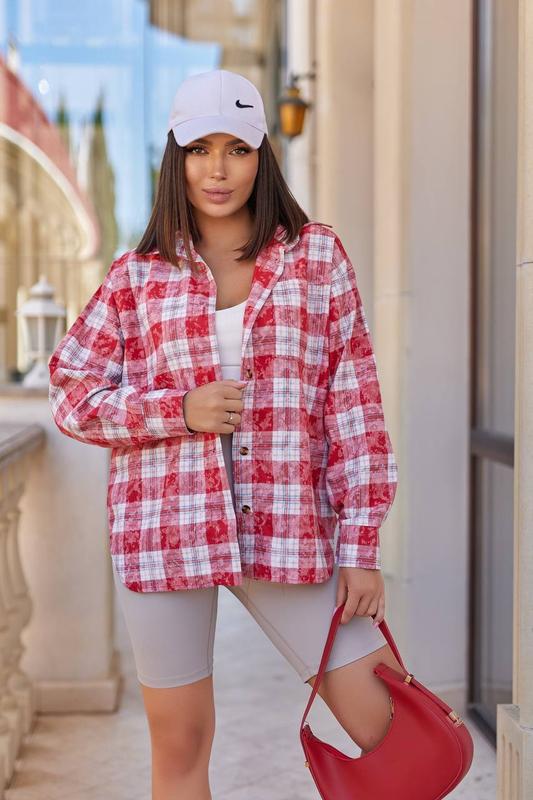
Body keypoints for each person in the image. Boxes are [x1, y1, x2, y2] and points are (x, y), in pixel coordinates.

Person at [48, 68, 402, 800]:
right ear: (175, 157)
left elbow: (354, 405)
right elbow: (72, 393)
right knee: (180, 746)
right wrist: (178, 410)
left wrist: (361, 548)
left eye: (236, 148)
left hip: (290, 527)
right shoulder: (137, 276)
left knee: (390, 723)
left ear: (261, 154)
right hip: (165, 529)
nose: (217, 169)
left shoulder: (315, 258)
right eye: (199, 149)